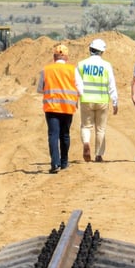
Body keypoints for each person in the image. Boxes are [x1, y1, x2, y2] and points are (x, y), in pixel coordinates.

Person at [37, 43, 82, 173]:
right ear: (67, 57)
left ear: (54, 57)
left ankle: (55, 163)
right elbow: (80, 89)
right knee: (65, 135)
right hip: (67, 108)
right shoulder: (73, 70)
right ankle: (64, 162)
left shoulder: (46, 70)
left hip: (51, 107)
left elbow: (40, 89)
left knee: (53, 135)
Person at [76, 38, 118, 162]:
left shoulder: (81, 64)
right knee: (100, 129)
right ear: (102, 52)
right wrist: (115, 101)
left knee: (86, 126)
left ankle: (86, 142)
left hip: (86, 100)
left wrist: (75, 99)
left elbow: (77, 84)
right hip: (102, 101)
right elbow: (111, 85)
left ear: (90, 49)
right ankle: (98, 155)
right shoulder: (106, 66)